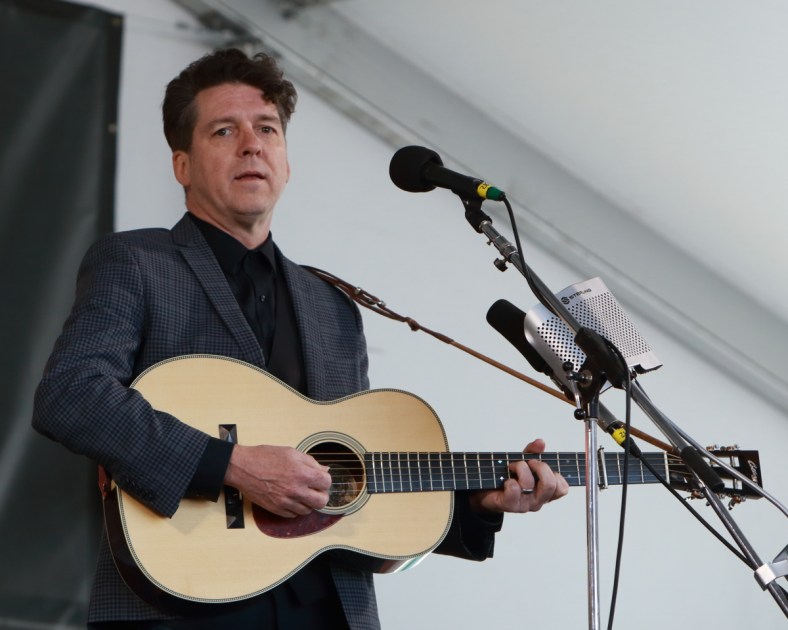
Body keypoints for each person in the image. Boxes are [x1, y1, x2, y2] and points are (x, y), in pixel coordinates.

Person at [32, 48, 568, 629]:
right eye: (224, 130)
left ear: (286, 164)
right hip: (179, 603)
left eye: (267, 129)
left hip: (329, 611)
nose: (252, 145)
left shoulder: (333, 307)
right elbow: (71, 395)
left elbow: (351, 490)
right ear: (182, 165)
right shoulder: (136, 261)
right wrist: (232, 465)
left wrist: (478, 503)